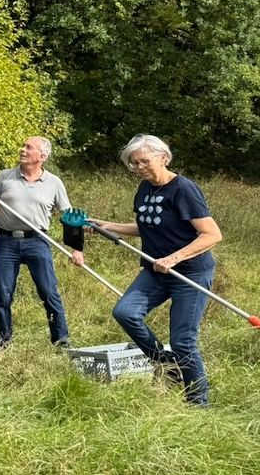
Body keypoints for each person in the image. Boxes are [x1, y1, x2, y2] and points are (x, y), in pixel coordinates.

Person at [92, 135, 221, 406]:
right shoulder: (144, 188)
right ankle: (166, 364)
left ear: (164, 158)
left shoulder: (183, 189)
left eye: (144, 161)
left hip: (190, 274)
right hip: (156, 271)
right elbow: (150, 225)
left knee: (183, 340)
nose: (139, 167)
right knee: (125, 312)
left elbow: (211, 234)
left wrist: (174, 258)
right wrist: (109, 225)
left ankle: (198, 403)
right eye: (133, 163)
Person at [0, 136, 84, 349]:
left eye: (29, 147)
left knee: (48, 292)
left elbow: (69, 217)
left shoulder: (54, 183)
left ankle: (61, 340)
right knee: (3, 293)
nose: (22, 149)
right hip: (6, 241)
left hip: (37, 241)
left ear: (42, 156)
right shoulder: (5, 176)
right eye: (23, 146)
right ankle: (2, 342)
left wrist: (77, 249)